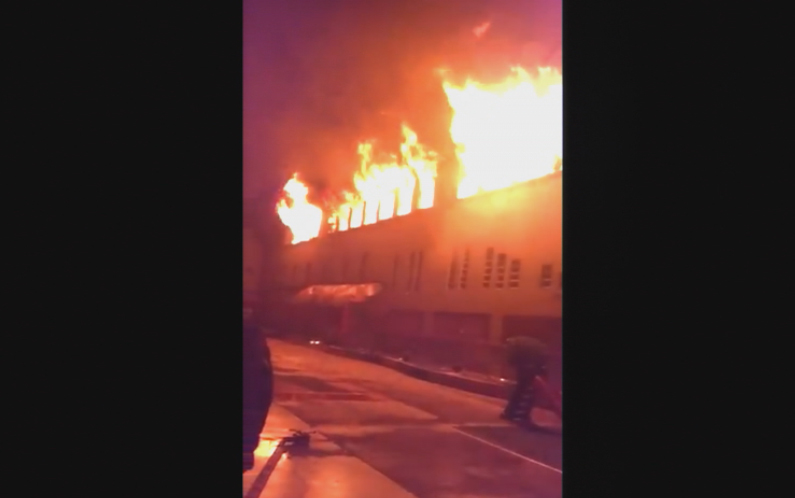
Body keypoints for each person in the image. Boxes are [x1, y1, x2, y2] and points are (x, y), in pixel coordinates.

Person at [243, 298, 274, 472]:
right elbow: (265, 384)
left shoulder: (256, 338)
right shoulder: (256, 339)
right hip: (251, 410)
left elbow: (265, 383)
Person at [500, 335, 549, 425]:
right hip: (532, 368)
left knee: (520, 390)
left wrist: (514, 364)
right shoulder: (538, 345)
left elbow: (512, 359)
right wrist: (542, 371)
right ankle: (523, 414)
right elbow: (541, 360)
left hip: (524, 367)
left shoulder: (514, 343)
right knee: (529, 392)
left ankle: (510, 412)